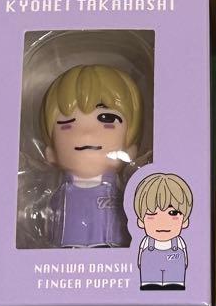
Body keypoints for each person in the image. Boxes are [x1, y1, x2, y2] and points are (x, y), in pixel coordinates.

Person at [41, 64, 143, 248]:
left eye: (107, 119)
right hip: (66, 251)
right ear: (51, 153)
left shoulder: (121, 196)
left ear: (130, 150)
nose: (86, 134)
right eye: (67, 124)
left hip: (112, 251)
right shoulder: (61, 196)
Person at [133, 172, 193, 290]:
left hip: (175, 276)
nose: (162, 222)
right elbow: (140, 258)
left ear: (185, 221)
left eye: (173, 213)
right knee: (150, 285)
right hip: (149, 275)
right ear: (141, 221)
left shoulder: (179, 242)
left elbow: (185, 258)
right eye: (152, 213)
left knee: (174, 285)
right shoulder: (146, 242)